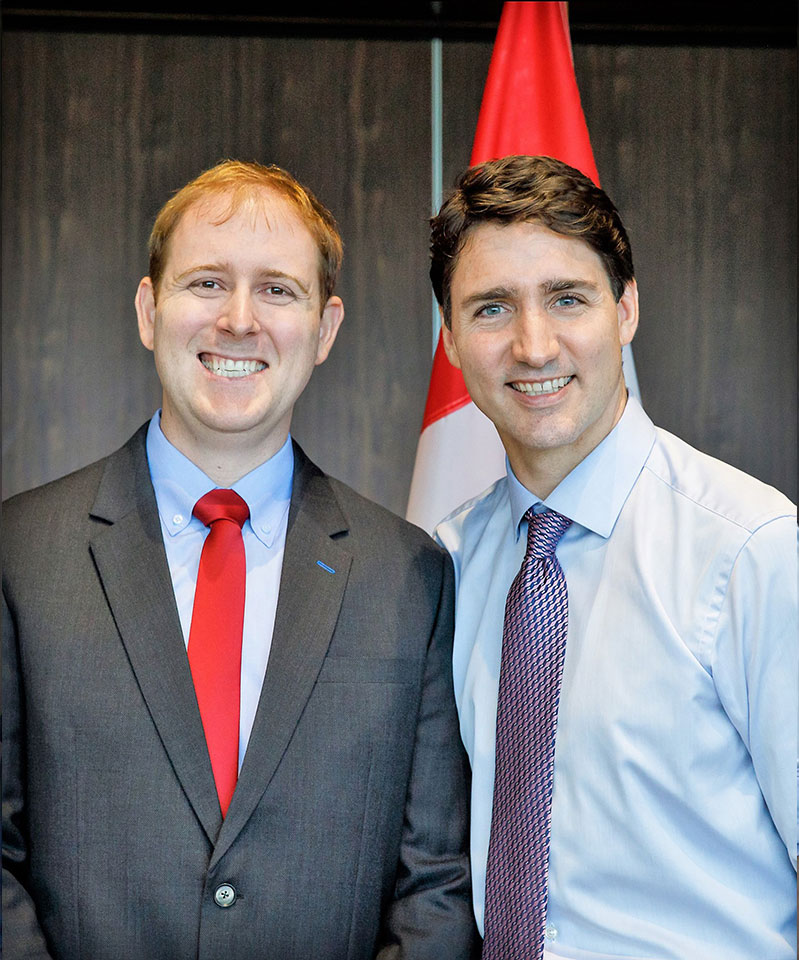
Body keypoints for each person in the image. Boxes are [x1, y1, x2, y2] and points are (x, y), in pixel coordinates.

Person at [3, 160, 477, 960]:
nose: (237, 320)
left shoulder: (412, 577)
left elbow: (433, 885)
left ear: (324, 330)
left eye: (277, 290)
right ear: (149, 310)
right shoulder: (19, 554)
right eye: (206, 283)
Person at [431, 155, 797, 960]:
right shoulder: (446, 564)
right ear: (451, 339)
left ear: (625, 309)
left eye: (567, 298)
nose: (533, 345)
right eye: (491, 309)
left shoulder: (751, 549)